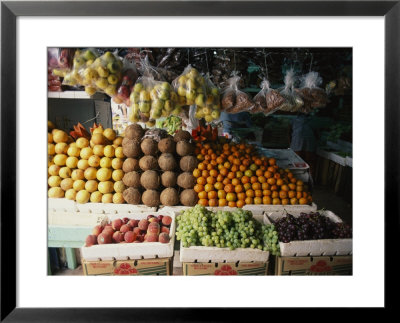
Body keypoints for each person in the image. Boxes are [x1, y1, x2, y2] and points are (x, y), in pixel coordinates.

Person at [289, 112, 317, 180]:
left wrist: (290, 142)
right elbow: (317, 134)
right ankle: (310, 180)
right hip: (309, 145)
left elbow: (289, 132)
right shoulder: (312, 120)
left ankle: (298, 180)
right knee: (309, 162)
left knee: (297, 163)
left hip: (297, 144)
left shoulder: (294, 120)